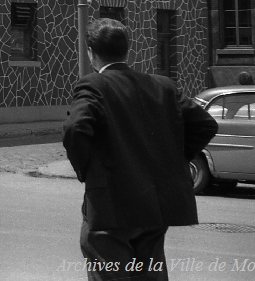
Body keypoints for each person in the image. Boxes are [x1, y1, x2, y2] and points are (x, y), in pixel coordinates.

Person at [63, 19, 218, 280]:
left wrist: (86, 169)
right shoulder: (162, 85)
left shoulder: (93, 85)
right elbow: (204, 124)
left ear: (91, 53)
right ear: (127, 50)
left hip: (111, 207)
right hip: (154, 208)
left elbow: (76, 128)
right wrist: (175, 161)